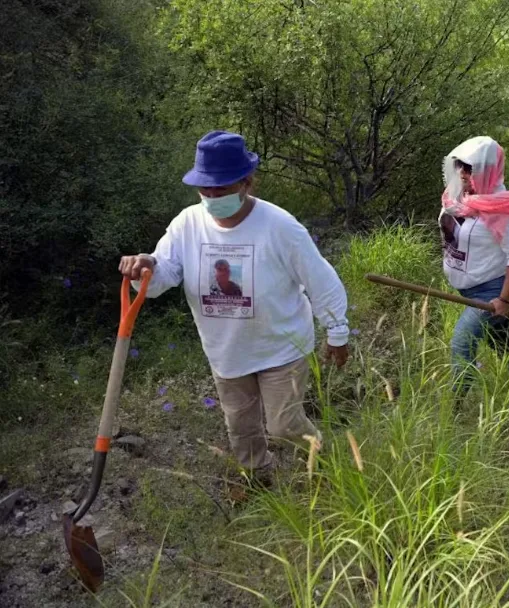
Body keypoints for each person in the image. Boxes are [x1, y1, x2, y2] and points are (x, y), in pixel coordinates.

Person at [118, 130, 350, 481]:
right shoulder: (187, 224)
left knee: (284, 424)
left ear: (247, 183)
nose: (211, 197)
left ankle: (327, 462)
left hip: (281, 346)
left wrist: (337, 330)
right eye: (205, 189)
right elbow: (160, 278)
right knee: (240, 427)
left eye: (221, 189)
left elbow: (321, 279)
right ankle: (258, 480)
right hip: (226, 350)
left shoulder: (280, 227)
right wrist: (145, 268)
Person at [440, 136, 509, 395]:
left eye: (470, 168)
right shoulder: (456, 197)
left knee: (462, 342)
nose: (462, 174)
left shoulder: (505, 206)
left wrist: (504, 300)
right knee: (499, 337)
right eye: (459, 166)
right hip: (468, 287)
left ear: (487, 169)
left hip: (492, 290)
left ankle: (455, 407)